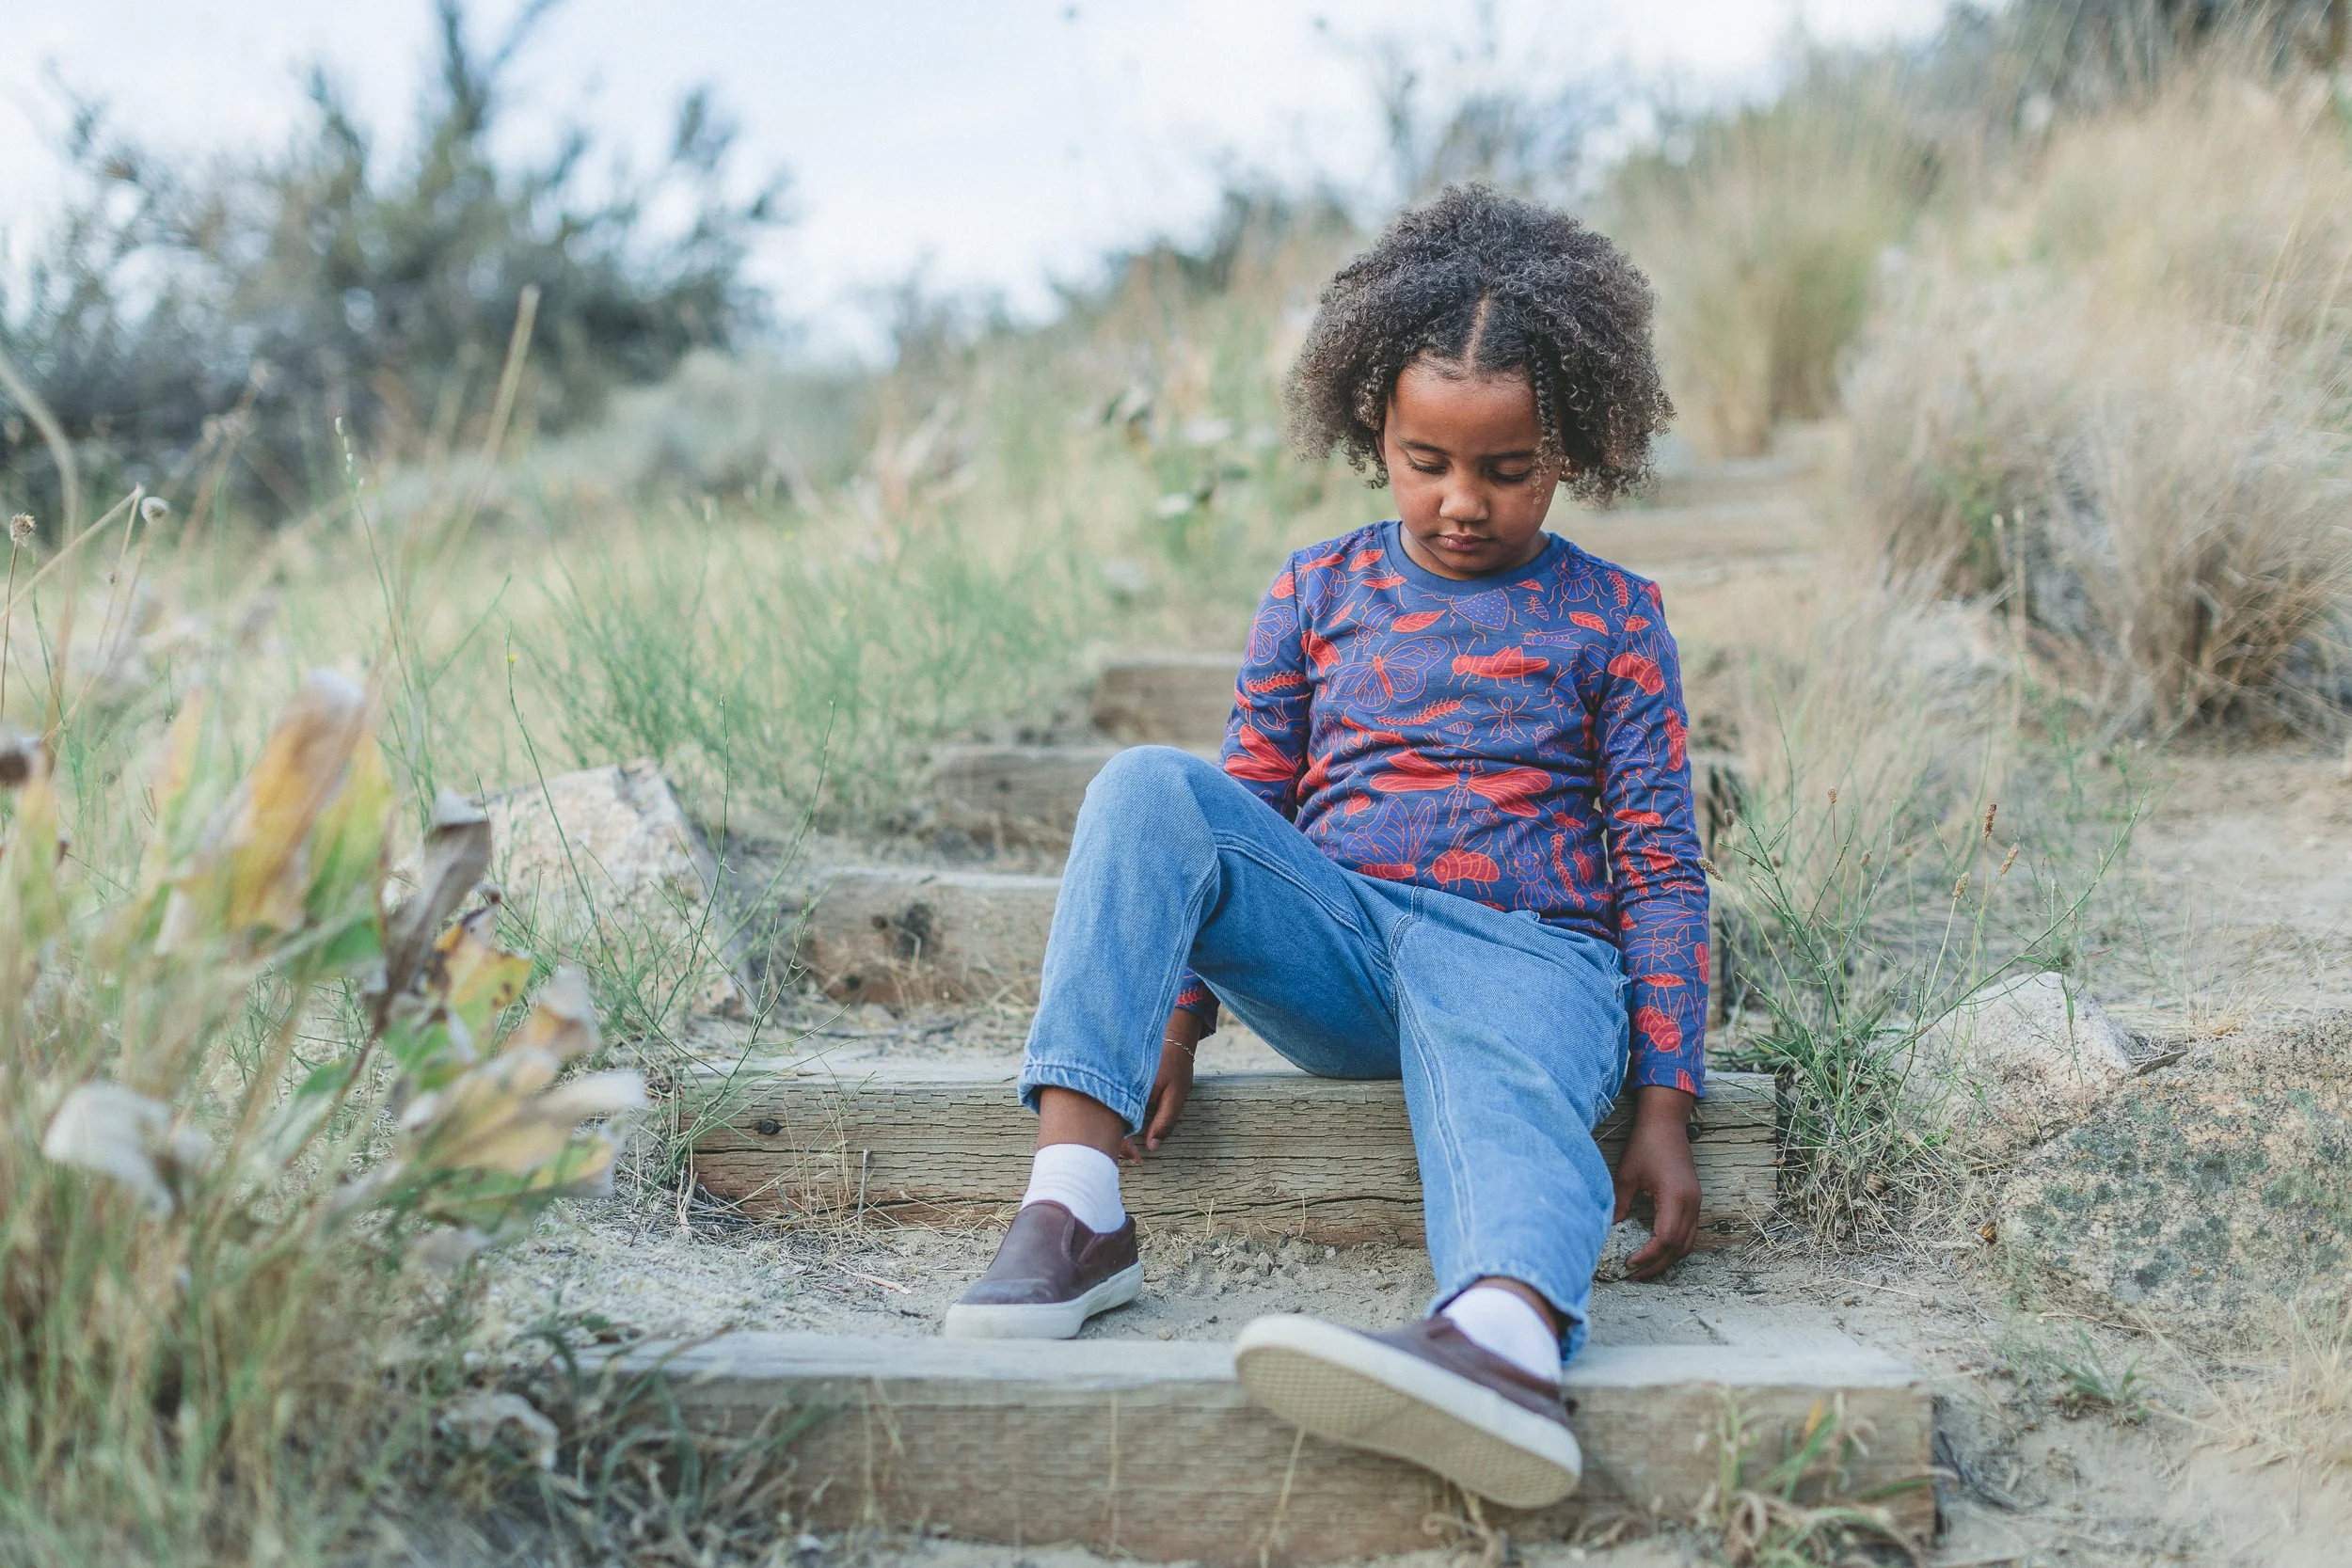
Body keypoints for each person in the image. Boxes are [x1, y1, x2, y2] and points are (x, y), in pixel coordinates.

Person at [943, 183, 1707, 1511]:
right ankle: (1075, 1206)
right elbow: (1236, 817)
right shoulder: (1316, 591)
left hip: (1532, 959)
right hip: (1341, 941)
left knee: (1500, 1072)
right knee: (1149, 786)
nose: (1463, 499)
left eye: (1506, 468)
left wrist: (1663, 1102)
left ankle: (1503, 1338)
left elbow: (1658, 864)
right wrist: (1171, 1018)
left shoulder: (1616, 619)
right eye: (1429, 459)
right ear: (1375, 430)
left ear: (1571, 450)